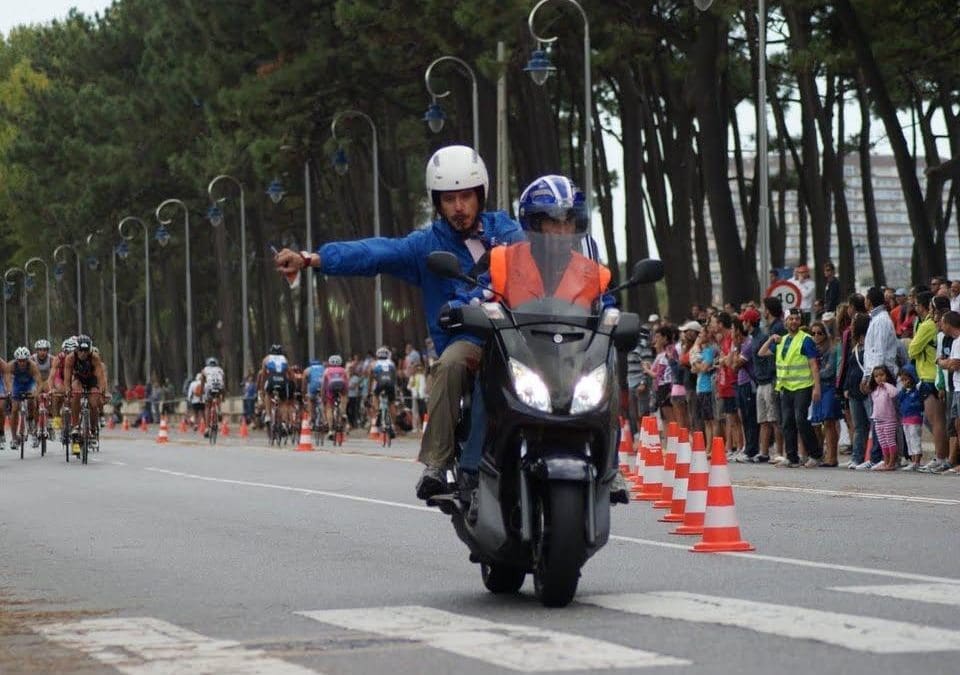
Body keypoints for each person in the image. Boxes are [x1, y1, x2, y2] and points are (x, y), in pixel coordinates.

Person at [274, 145, 523, 499]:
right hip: (471, 341)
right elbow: (374, 252)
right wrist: (313, 259)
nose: (458, 207)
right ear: (437, 202)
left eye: (466, 196)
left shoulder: (507, 230)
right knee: (450, 366)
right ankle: (437, 461)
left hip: (517, 336)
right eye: (449, 199)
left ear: (480, 195)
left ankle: (599, 461)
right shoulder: (425, 245)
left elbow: (541, 263)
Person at [453, 174, 626, 503]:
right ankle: (471, 468)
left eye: (567, 224)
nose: (561, 233)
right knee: (483, 383)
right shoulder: (504, 259)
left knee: (610, 375)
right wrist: (463, 307)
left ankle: (612, 468)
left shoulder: (593, 272)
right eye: (551, 224)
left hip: (572, 359)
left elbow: (606, 306)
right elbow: (478, 291)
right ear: (533, 225)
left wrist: (618, 321)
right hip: (519, 353)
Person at [758, 308, 821, 468]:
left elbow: (813, 365)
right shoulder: (782, 340)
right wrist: (771, 339)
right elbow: (762, 352)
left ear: (800, 322)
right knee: (787, 422)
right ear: (785, 322)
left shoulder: (806, 339)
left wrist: (816, 387)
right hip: (786, 387)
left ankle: (815, 454)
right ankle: (792, 457)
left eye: (796, 319)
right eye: (791, 319)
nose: (794, 321)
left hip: (803, 386)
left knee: (800, 420)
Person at [62, 335, 108, 451]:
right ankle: (76, 425)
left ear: (90, 350)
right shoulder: (70, 358)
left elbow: (101, 377)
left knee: (93, 403)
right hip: (78, 379)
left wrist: (102, 391)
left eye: (86, 351)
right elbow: (67, 378)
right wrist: (67, 390)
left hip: (92, 380)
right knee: (75, 393)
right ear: (76, 349)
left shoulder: (94, 358)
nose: (83, 354)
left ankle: (93, 430)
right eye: (81, 351)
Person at [4, 347, 41, 447]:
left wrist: (36, 393)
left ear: (27, 359)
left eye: (24, 360)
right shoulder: (11, 365)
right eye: (19, 361)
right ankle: (14, 438)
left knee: (32, 402)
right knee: (15, 409)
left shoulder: (33, 365)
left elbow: (38, 381)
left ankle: (32, 424)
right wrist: (10, 391)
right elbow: (7, 381)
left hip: (30, 384)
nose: (22, 363)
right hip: (17, 385)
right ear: (16, 360)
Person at [867, 365, 899, 471]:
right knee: (882, 442)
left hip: (889, 419)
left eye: (882, 375)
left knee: (890, 441)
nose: (879, 378)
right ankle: (886, 461)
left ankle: (892, 462)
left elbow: (894, 393)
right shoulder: (875, 391)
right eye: (876, 376)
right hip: (878, 420)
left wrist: (886, 384)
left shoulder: (889, 388)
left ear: (887, 375)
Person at [258, 344, 293, 430]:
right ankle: (284, 422)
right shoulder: (284, 359)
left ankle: (268, 416)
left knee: (268, 394)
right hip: (282, 380)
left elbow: (263, 375)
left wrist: (262, 388)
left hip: (271, 379)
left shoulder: (266, 359)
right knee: (284, 402)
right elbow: (289, 373)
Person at [897, 364, 923, 471]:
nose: (904, 382)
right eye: (902, 380)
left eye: (906, 379)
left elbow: (919, 403)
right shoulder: (904, 392)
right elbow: (899, 399)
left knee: (914, 438)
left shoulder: (916, 390)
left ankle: (917, 461)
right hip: (905, 419)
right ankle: (912, 460)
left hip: (914, 418)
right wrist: (903, 389)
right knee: (908, 440)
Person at [371, 347, 397, 435]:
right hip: (390, 384)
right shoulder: (392, 363)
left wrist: (370, 390)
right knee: (392, 403)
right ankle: (393, 425)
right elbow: (394, 377)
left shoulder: (375, 363)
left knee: (375, 395)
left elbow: (372, 377)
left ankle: (378, 410)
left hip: (380, 383)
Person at [322, 354, 348, 436]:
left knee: (329, 407)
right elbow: (346, 383)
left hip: (330, 386)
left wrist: (323, 396)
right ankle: (343, 411)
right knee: (344, 397)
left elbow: (323, 385)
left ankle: (330, 430)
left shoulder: (327, 370)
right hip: (341, 385)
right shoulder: (343, 370)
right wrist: (346, 394)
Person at [200, 357, 226, 431]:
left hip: (210, 387)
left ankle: (207, 428)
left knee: (207, 406)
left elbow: (202, 384)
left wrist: (201, 395)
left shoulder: (205, 369)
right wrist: (223, 396)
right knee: (218, 398)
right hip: (220, 387)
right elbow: (224, 384)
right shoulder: (220, 370)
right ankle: (219, 410)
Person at [303, 358, 325, 424]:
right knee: (324, 402)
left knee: (310, 400)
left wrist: (304, 393)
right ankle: (325, 419)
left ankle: (311, 417)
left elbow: (304, 383)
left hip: (313, 388)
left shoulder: (307, 370)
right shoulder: (324, 369)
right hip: (322, 387)